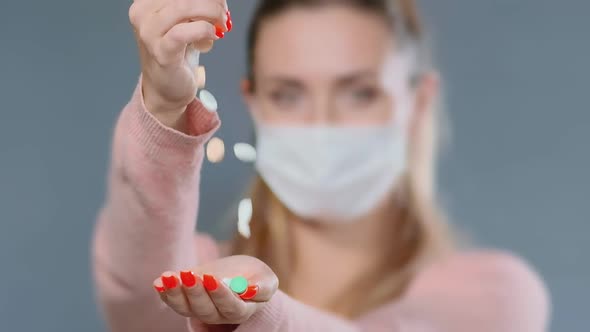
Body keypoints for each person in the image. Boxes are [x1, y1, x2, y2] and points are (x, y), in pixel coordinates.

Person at [92, 0, 550, 331]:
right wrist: (165, 106)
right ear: (254, 104)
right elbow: (136, 294)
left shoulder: (495, 294)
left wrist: (261, 317)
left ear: (418, 102)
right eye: (288, 95)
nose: (322, 125)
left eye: (360, 92)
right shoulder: (201, 274)